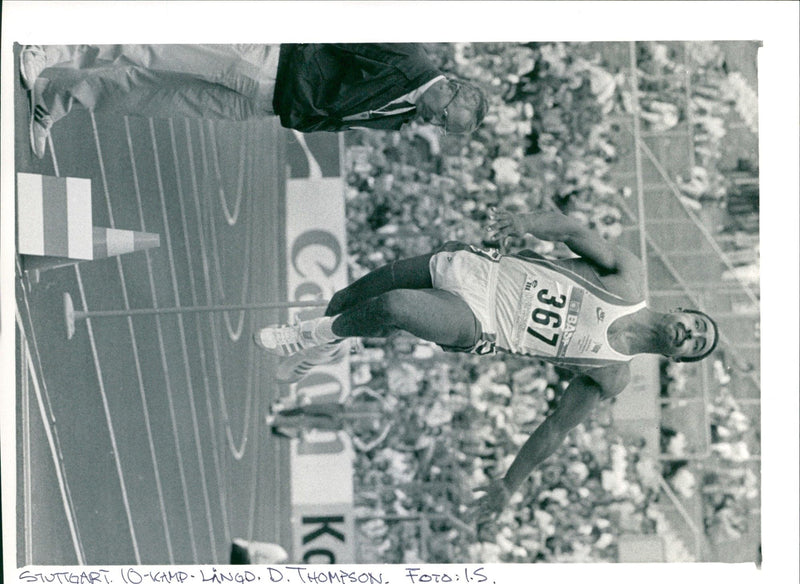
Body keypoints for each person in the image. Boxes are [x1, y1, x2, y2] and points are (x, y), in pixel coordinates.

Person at [254, 207, 718, 522]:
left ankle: (312, 336)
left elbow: (556, 427)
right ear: (682, 310)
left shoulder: (613, 374)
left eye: (694, 345)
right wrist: (524, 222)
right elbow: (575, 232)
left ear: (679, 357)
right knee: (346, 301)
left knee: (394, 307)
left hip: (483, 322)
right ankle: (331, 342)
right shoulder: (630, 277)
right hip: (480, 269)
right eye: (695, 326)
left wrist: (509, 485)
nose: (689, 334)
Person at [19, 43, 488, 158]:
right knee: (150, 47)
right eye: (445, 118)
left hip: (266, 106)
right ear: (451, 88)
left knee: (149, 94)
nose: (436, 124)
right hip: (265, 63)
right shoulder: (406, 56)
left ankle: (58, 95)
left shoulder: (405, 114)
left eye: (444, 128)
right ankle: (53, 47)